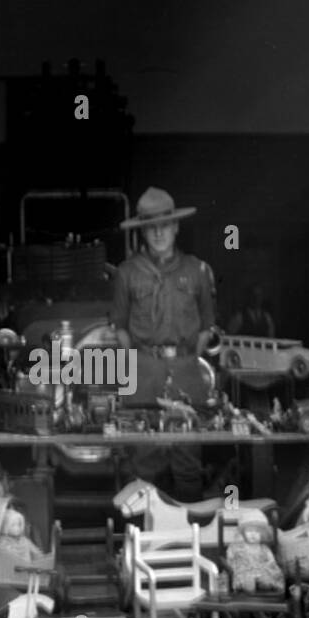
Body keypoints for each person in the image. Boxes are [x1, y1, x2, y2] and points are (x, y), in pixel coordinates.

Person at [110, 187, 216, 500]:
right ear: (143, 231)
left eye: (164, 225)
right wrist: (143, 362)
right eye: (151, 227)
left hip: (185, 369)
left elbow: (206, 327)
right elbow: (120, 327)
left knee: (187, 461)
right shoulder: (127, 273)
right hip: (143, 372)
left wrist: (184, 360)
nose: (158, 233)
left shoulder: (196, 270)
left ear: (176, 227)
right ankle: (145, 541)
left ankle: (188, 535)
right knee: (144, 462)